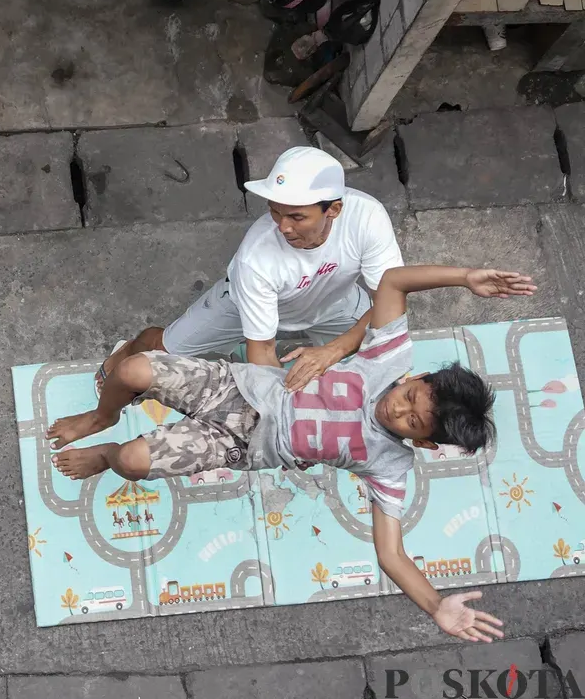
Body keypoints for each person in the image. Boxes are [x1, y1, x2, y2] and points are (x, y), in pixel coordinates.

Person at [51, 263, 537, 641]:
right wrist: (465, 278)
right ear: (415, 379)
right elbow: (393, 283)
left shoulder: (390, 465)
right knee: (134, 371)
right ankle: (104, 416)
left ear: (425, 443)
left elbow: (391, 553)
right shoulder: (389, 360)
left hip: (239, 444)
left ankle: (107, 452)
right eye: (409, 397)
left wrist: (435, 607)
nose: (398, 409)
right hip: (235, 388)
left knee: (134, 463)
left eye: (412, 422)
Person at [90, 147, 402, 423]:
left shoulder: (368, 217)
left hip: (336, 302)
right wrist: (287, 420)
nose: (283, 227)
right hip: (240, 307)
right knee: (162, 354)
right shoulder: (257, 257)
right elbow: (263, 353)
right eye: (274, 211)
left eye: (296, 217)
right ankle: (125, 352)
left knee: (387, 367)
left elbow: (392, 297)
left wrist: (333, 351)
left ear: (333, 209)